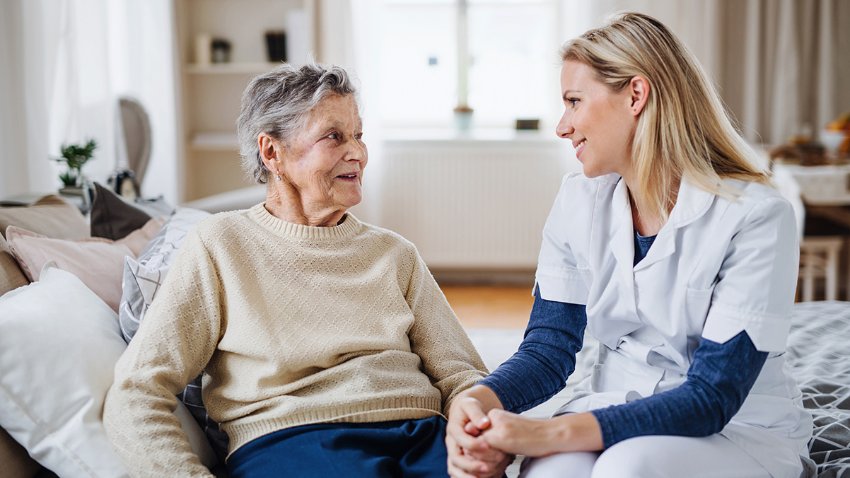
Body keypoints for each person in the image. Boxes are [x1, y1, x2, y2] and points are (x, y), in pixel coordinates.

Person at [446, 12, 813, 478]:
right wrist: (477, 399)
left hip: (736, 429)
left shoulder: (757, 217)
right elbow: (549, 348)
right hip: (610, 408)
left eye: (574, 101)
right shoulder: (578, 200)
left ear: (636, 95)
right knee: (555, 473)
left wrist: (544, 433)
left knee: (627, 467)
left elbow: (711, 398)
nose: (563, 126)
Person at [103, 63, 488, 477]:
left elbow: (462, 373)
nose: (357, 152)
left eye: (359, 135)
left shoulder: (394, 253)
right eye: (333, 136)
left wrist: (478, 428)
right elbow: (138, 388)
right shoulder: (221, 244)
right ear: (272, 152)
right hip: (294, 439)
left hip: (425, 436)